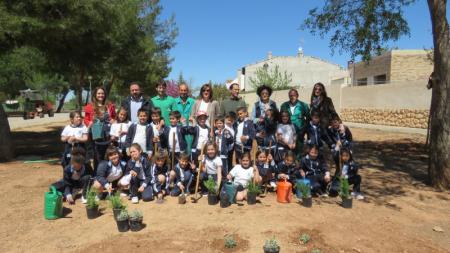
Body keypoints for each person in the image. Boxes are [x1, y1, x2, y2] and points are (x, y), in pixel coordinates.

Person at [83, 86, 116, 170]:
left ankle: (108, 172)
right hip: (96, 134)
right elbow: (86, 119)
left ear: (105, 95)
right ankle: (97, 174)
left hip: (107, 135)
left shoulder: (110, 106)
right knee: (97, 155)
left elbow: (114, 117)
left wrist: (113, 120)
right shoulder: (89, 106)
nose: (101, 95)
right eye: (99, 93)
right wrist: (89, 123)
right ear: (95, 94)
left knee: (108, 153)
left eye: (102, 93)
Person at [280, 88, 310, 156]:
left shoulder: (303, 105)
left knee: (298, 150)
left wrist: (304, 129)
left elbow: (308, 118)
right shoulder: (284, 105)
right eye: (290, 95)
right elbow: (280, 118)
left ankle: (298, 163)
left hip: (299, 132)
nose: (292, 97)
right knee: (288, 150)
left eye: (294, 95)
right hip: (287, 132)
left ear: (297, 95)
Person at [173, 83, 196, 155]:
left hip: (189, 129)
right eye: (181, 90)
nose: (183, 92)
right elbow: (173, 113)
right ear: (179, 91)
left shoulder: (193, 101)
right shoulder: (174, 101)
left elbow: (195, 114)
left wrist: (193, 118)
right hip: (178, 128)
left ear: (187, 91)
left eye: (185, 90)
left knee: (189, 149)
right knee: (179, 149)